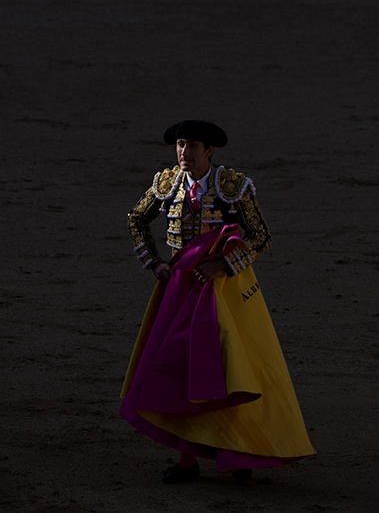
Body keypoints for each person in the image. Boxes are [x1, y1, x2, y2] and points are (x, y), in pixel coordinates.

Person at [120, 119, 314, 484]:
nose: (184, 152)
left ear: (209, 150)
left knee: (230, 370)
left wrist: (222, 264)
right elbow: (137, 220)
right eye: (181, 144)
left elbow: (261, 236)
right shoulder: (167, 184)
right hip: (181, 288)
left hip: (226, 289)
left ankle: (238, 455)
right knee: (181, 370)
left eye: (193, 145)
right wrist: (155, 262)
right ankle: (187, 462)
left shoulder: (233, 187)